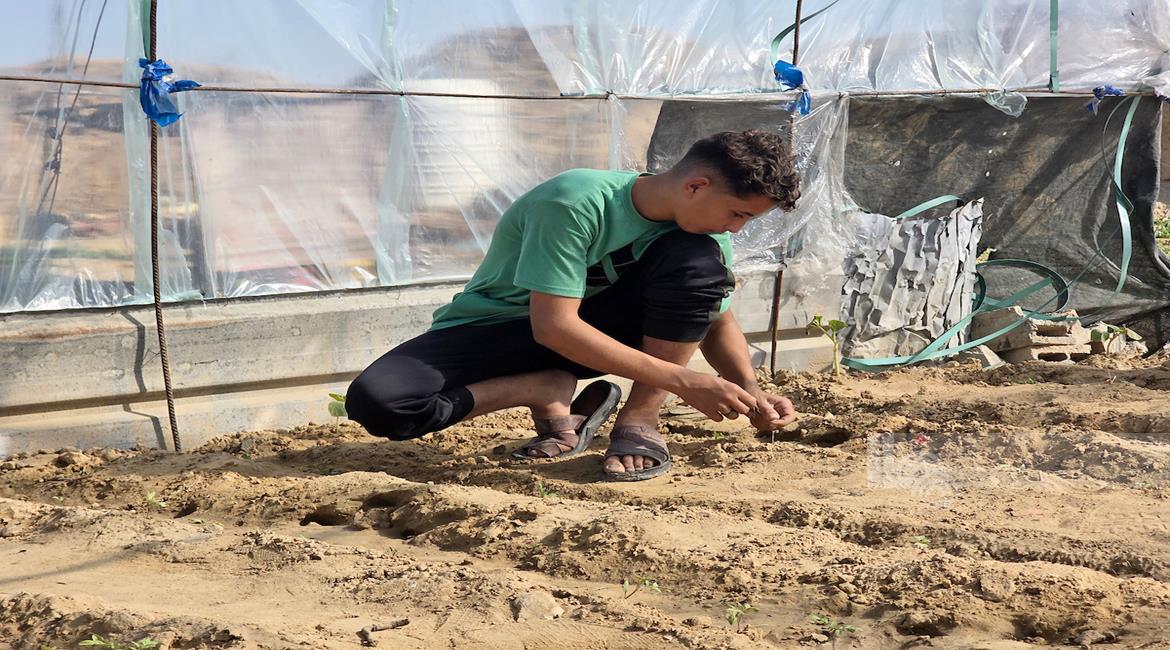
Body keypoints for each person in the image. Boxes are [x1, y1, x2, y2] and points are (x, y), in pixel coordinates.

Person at [346, 129, 800, 481]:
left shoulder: (705, 236)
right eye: (738, 214)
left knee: (699, 263)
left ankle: (640, 417)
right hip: (501, 326)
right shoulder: (574, 201)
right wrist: (684, 381)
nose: (736, 229)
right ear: (696, 186)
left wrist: (750, 389)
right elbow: (553, 327)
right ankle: (540, 387)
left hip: (598, 331)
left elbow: (714, 316)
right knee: (382, 403)